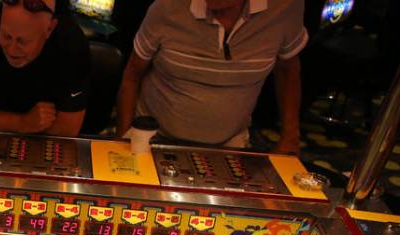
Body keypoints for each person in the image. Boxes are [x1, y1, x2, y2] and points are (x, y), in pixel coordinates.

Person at [116, 0, 307, 152]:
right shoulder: (166, 7)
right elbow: (132, 75)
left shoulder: (286, 7)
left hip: (230, 143)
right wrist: (124, 139)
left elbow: (288, 71)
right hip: (152, 139)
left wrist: (290, 137)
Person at [0, 0, 90, 136]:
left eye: (23, 41)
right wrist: (21, 123)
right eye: (6, 36)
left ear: (49, 29)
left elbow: (67, 130)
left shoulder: (70, 46)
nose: (11, 49)